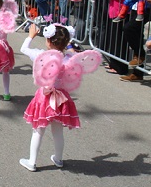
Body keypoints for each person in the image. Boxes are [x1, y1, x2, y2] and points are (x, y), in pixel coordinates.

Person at [19, 23, 101, 172]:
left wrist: (30, 36)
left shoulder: (42, 56)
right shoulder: (69, 58)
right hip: (61, 98)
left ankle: (32, 161)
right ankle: (58, 158)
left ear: (48, 41)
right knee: (57, 131)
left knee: (38, 129)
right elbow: (76, 57)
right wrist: (68, 46)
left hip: (45, 97)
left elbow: (23, 49)